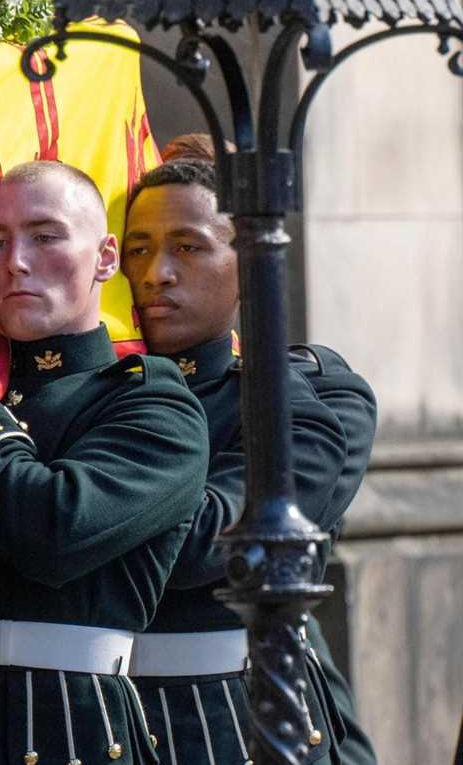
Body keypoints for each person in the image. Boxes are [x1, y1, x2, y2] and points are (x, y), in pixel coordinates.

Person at [0, 160, 209, 765]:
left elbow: (57, 531)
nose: (16, 262)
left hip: (62, 721)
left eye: (46, 236)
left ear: (106, 258)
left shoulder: (150, 402)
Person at [121, 156, 378, 764]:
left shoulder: (306, 393)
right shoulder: (102, 394)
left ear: (251, 265)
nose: (156, 274)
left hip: (242, 714)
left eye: (189, 247)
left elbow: (210, 547)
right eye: (138, 248)